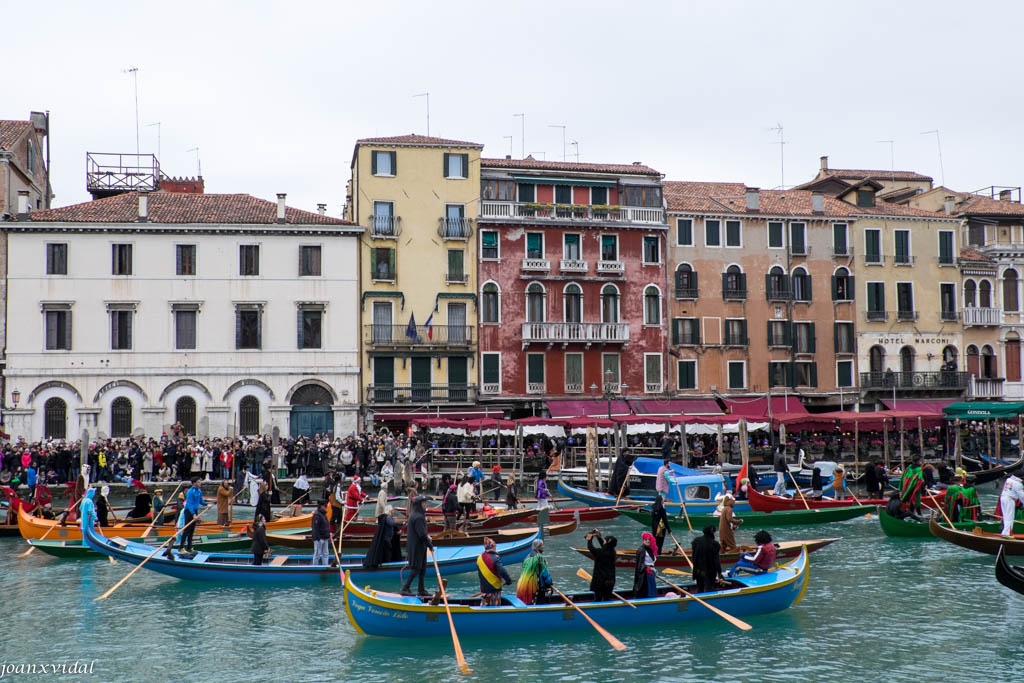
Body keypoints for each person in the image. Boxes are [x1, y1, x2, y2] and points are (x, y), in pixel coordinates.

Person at [400, 494, 434, 596]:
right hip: (417, 546)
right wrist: (429, 544)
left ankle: (421, 589)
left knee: (422, 568)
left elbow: (421, 532)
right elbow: (422, 534)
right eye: (424, 503)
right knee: (416, 568)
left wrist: (426, 539)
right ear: (420, 505)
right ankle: (405, 588)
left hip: (418, 546)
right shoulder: (418, 517)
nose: (426, 505)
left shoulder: (415, 515)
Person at [516, 538, 554, 605]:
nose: (543, 547)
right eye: (542, 545)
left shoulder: (526, 557)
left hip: (521, 586)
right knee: (539, 603)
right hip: (533, 587)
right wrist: (550, 583)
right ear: (538, 546)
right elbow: (544, 573)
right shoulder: (539, 557)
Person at [477, 537, 513, 606]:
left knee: (485, 606)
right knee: (494, 606)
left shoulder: (479, 558)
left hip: (484, 590)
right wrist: (508, 580)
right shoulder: (495, 557)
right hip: (494, 589)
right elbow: (502, 571)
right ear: (493, 547)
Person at [363, 504, 399, 569]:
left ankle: (387, 563)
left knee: (388, 551)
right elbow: (392, 524)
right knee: (388, 552)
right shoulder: (388, 517)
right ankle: (388, 566)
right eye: (392, 510)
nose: (393, 512)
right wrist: (402, 523)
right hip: (386, 539)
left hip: (387, 539)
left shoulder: (387, 518)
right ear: (390, 511)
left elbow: (390, 529)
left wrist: (397, 533)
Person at [691, 525, 724, 594]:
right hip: (709, 572)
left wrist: (695, 567)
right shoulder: (714, 544)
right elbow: (716, 560)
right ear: (712, 532)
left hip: (697, 571)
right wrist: (719, 573)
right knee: (709, 589)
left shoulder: (696, 541)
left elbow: (694, 557)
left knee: (700, 588)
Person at [586, 529, 617, 601]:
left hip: (600, 581)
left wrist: (589, 539)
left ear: (608, 542)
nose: (604, 541)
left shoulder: (600, 552)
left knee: (598, 599)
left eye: (605, 540)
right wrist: (598, 537)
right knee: (607, 598)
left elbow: (591, 548)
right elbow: (605, 545)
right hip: (610, 580)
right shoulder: (613, 552)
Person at [180, 477, 204, 553]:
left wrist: (208, 504)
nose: (200, 483)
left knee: (192, 530)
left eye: (200, 482)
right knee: (186, 530)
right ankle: (181, 547)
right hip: (189, 511)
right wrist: (193, 514)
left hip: (195, 511)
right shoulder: (190, 492)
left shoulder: (199, 491)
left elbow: (201, 501)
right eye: (198, 482)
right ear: (194, 483)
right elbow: (189, 504)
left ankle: (189, 547)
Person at [633, 531, 658, 598]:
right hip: (645, 574)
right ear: (643, 540)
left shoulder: (650, 549)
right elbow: (639, 565)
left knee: (652, 589)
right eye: (645, 539)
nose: (647, 541)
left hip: (651, 572)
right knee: (648, 590)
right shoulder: (641, 550)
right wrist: (646, 568)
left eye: (649, 539)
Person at [999, 472, 1024, 536]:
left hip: (1002, 498)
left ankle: (1004, 532)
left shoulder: (1008, 480)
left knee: (1005, 516)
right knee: (1010, 517)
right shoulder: (1018, 484)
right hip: (1010, 500)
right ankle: (1007, 533)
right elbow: (1022, 496)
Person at [311, 501, 331, 566]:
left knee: (326, 553)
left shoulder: (324, 515)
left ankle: (325, 566)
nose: (326, 507)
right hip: (319, 539)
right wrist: (318, 539)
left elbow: (326, 526)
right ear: (321, 506)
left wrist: (328, 535)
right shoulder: (317, 515)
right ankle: (315, 568)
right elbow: (315, 528)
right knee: (317, 554)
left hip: (325, 537)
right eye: (325, 506)